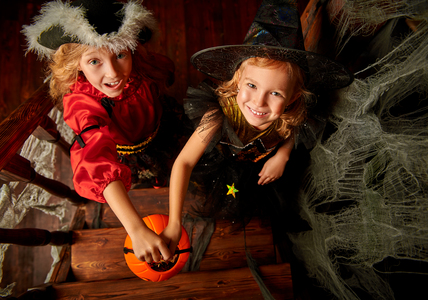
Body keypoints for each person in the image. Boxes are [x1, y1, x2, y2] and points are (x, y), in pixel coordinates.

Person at [162, 0, 353, 255]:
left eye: (275, 92)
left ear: (293, 98)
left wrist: (283, 155)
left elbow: (293, 127)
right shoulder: (217, 116)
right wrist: (174, 223)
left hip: (264, 167)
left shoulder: (292, 112)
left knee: (264, 201)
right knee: (224, 196)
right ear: (238, 80)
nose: (259, 102)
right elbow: (184, 162)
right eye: (251, 86)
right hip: (225, 166)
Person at [22, 0, 181, 264]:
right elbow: (94, 158)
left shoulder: (142, 67)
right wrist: (136, 228)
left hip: (156, 129)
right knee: (147, 170)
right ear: (76, 65)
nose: (114, 73)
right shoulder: (82, 102)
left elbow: (161, 73)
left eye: (120, 54)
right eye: (95, 61)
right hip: (124, 149)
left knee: (165, 159)